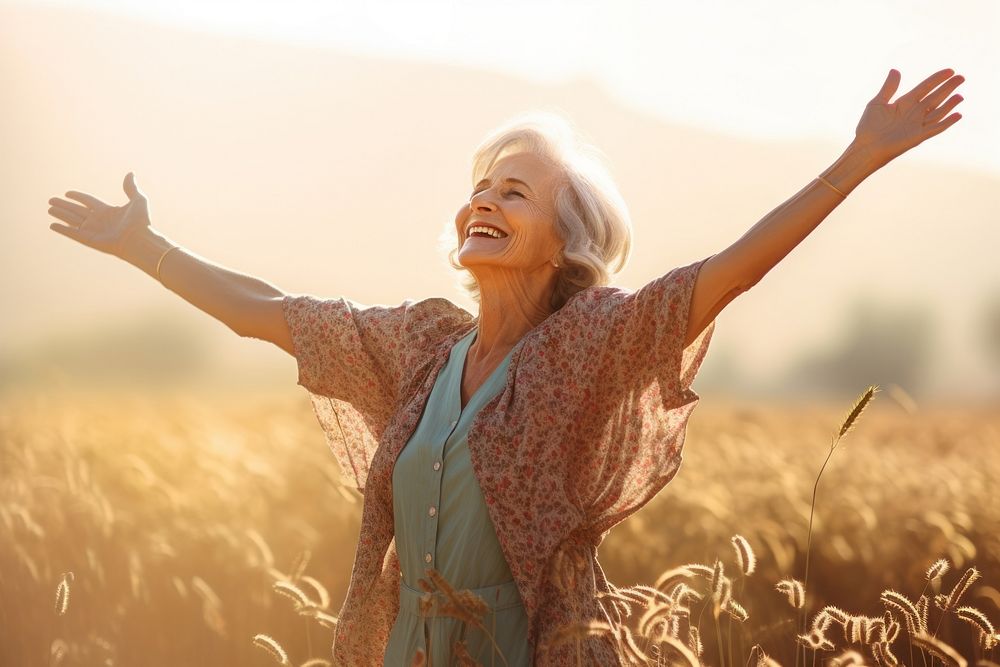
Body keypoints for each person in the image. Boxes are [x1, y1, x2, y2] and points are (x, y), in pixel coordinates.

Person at [47, 67, 964, 666]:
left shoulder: (589, 344)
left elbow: (722, 275)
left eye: (514, 192)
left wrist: (858, 159)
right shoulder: (419, 347)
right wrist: (146, 247)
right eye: (480, 188)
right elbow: (269, 314)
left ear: (568, 241)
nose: (483, 201)